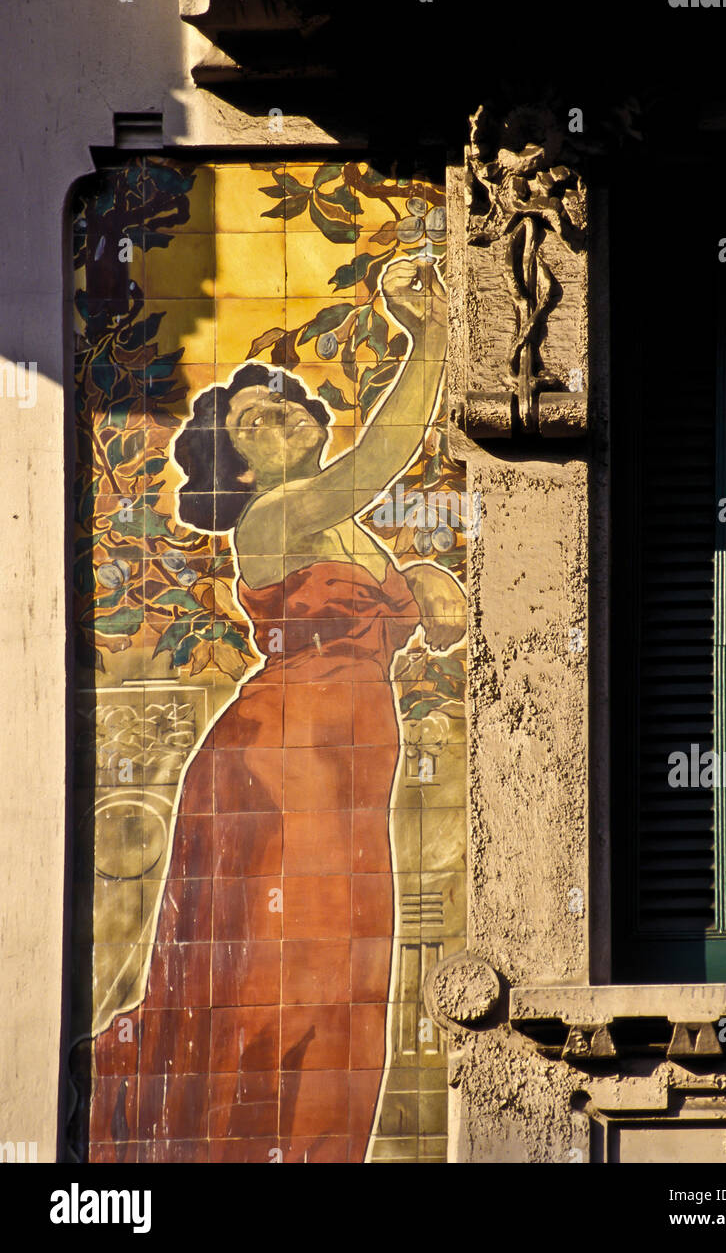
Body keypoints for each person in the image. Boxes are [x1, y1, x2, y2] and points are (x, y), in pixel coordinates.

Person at [87, 257, 465, 1162]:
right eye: (246, 421)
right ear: (236, 461)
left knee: (346, 973)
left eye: (281, 405)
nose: (274, 416)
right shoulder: (272, 519)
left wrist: (426, 590)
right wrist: (432, 336)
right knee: (281, 967)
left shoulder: (345, 529)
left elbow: (387, 613)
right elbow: (382, 457)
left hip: (349, 759)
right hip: (277, 760)